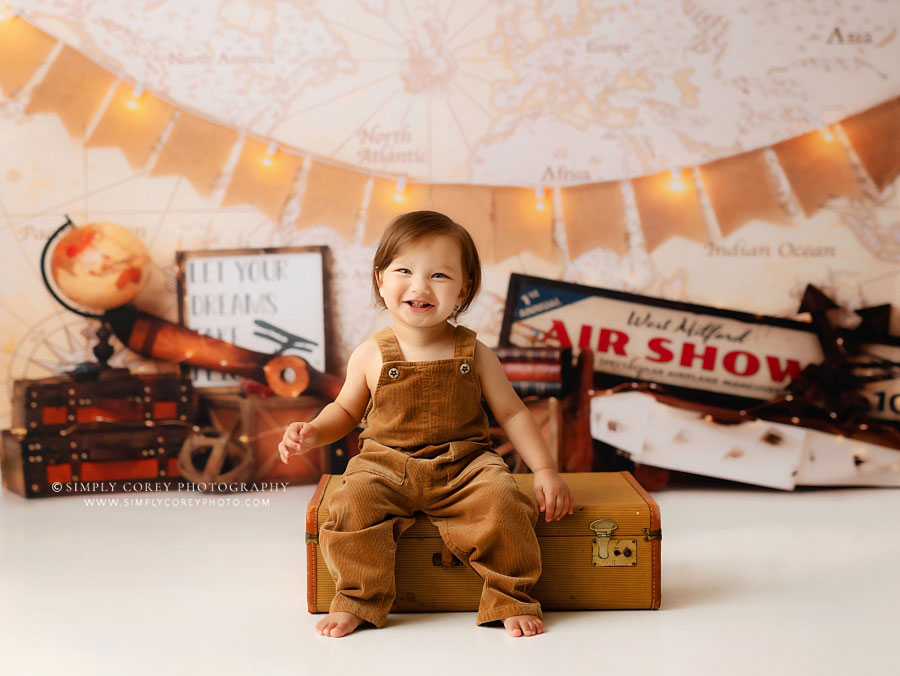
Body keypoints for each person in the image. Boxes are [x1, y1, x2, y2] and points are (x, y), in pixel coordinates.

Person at [279, 210, 573, 638]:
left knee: (504, 502)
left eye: (439, 275)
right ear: (381, 279)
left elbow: (512, 413)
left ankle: (510, 596)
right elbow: (343, 412)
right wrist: (313, 431)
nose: (419, 285)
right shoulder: (370, 353)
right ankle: (359, 597)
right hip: (385, 465)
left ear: (463, 290)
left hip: (465, 466)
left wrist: (545, 470)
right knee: (350, 504)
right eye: (404, 270)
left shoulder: (475, 352)